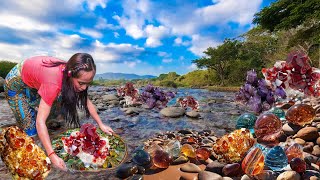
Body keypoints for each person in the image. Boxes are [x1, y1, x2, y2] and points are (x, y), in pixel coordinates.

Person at [3, 53, 114, 171]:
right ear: (70, 75)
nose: (84, 88)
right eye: (81, 83)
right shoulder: (53, 83)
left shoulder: (73, 72)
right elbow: (40, 121)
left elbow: (86, 101)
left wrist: (101, 124)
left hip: (34, 81)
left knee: (56, 104)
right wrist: (52, 155)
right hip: (16, 85)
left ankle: (41, 124)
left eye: (88, 84)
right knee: (31, 130)